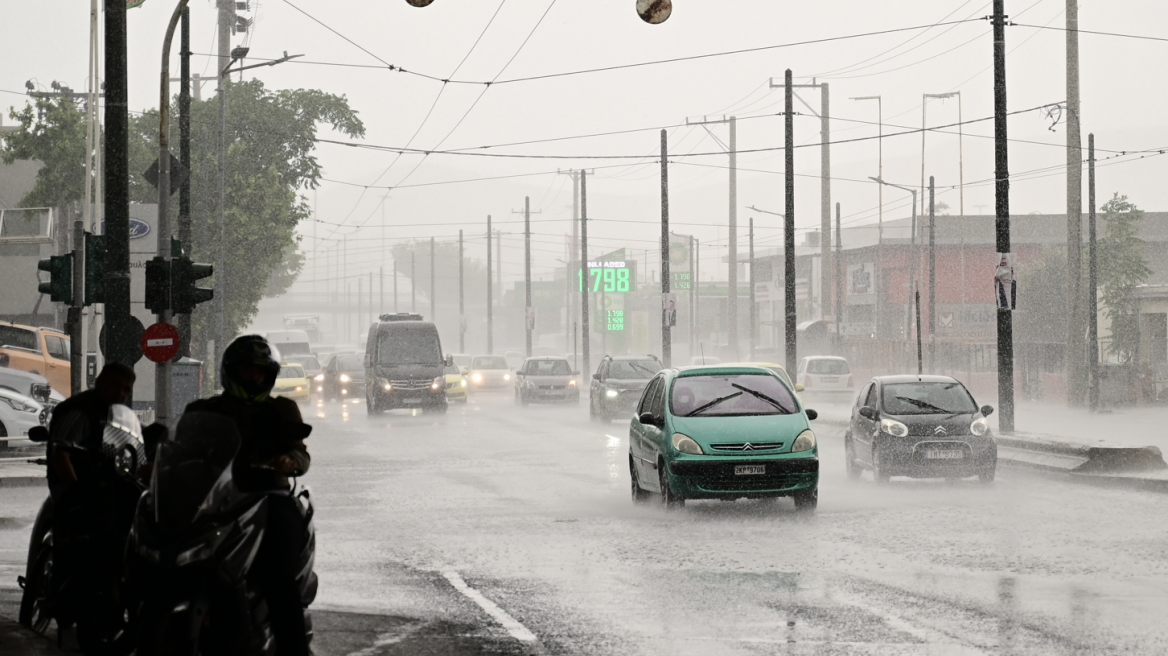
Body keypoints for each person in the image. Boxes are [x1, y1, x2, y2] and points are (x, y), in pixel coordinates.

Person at [184, 335, 312, 656]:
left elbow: (300, 453)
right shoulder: (204, 410)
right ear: (230, 371)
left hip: (268, 499)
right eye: (246, 370)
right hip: (215, 502)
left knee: (278, 579)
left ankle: (293, 650)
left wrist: (288, 461)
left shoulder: (282, 410)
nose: (254, 377)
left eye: (259, 372)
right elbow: (179, 448)